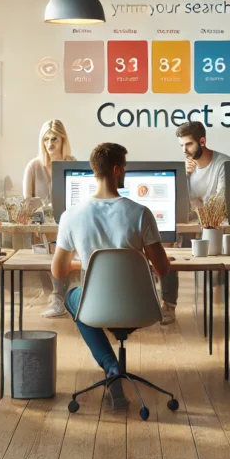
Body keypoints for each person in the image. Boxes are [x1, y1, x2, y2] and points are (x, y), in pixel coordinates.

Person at [51, 143, 173, 409]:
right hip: (141, 307)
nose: (125, 172)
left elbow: (58, 271)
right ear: (117, 170)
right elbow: (163, 268)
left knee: (73, 295)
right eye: (125, 168)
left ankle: (111, 367)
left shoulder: (71, 215)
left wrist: (87, 263)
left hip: (95, 306)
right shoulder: (140, 213)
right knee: (79, 297)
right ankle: (113, 368)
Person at [160, 121, 230, 325]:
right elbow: (178, 204)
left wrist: (198, 210)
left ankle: (217, 297)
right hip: (191, 223)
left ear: (202, 141)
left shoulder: (223, 164)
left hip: (217, 223)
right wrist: (184, 177)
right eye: (182, 146)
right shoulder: (186, 169)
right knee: (165, 248)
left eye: (189, 145)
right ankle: (169, 305)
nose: (185, 150)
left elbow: (221, 202)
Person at [23, 120, 77, 318]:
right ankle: (57, 297)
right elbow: (27, 202)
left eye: (54, 138)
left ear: (63, 139)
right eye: (46, 139)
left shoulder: (72, 163)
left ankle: (59, 297)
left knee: (63, 243)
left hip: (67, 223)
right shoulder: (33, 166)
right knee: (50, 243)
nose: (50, 143)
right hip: (41, 226)